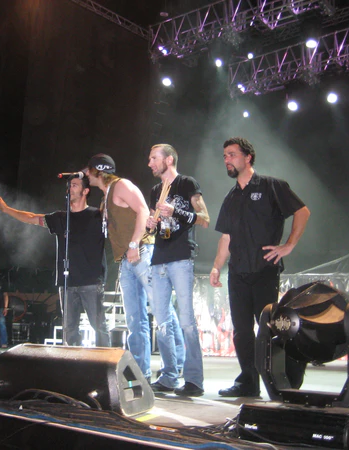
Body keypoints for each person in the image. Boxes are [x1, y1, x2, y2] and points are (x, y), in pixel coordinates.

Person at [210, 137, 310, 397]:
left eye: (232, 154)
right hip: (237, 273)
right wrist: (216, 267)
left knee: (271, 328)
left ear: (248, 157)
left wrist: (288, 245)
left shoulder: (271, 186)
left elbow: (302, 211)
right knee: (242, 331)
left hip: (265, 269)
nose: (227, 160)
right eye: (224, 156)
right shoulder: (231, 197)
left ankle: (285, 379)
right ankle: (248, 383)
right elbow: (226, 237)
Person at [0, 175, 110, 347]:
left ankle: (106, 361)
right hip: (67, 282)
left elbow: (114, 208)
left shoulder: (97, 215)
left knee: (99, 326)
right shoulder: (60, 218)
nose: (70, 188)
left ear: (85, 191)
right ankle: (73, 361)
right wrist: (7, 210)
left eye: (75, 185)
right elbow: (32, 217)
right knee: (69, 329)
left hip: (91, 282)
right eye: (69, 185)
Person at [146, 144, 210, 397]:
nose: (150, 163)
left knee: (186, 321)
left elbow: (204, 218)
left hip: (181, 257)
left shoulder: (187, 183)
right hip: (159, 258)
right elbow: (155, 225)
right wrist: (151, 224)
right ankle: (169, 376)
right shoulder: (155, 191)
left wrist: (177, 211)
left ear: (169, 160)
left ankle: (194, 380)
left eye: (154, 158)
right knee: (161, 322)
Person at [83, 154, 153, 379]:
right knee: (134, 320)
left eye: (88, 169)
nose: (85, 173)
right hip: (126, 259)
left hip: (141, 252)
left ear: (97, 170)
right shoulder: (106, 196)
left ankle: (174, 370)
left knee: (161, 311)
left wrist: (134, 244)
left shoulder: (121, 185)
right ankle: (141, 373)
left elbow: (143, 210)